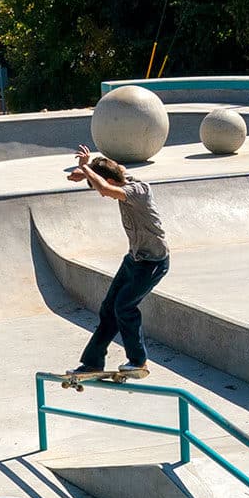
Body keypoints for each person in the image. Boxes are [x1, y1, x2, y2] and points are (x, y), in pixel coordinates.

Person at [66, 146, 170, 377]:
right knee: (108, 309)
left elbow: (104, 187)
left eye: (104, 190)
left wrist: (85, 168)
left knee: (124, 306)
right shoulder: (120, 173)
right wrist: (84, 171)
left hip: (153, 262)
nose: (102, 194)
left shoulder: (137, 191)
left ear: (113, 182)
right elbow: (109, 172)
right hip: (134, 259)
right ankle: (93, 362)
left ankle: (139, 361)